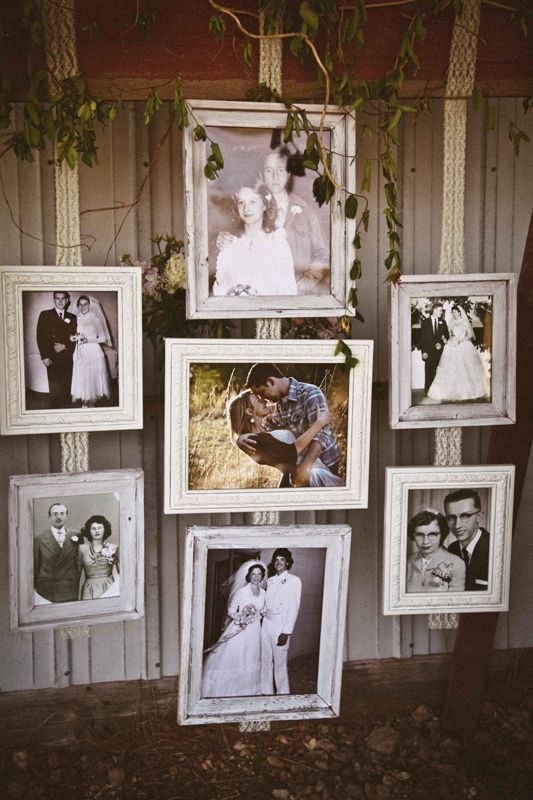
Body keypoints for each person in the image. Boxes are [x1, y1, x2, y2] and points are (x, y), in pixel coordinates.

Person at [217, 149, 329, 295]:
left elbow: (323, 254)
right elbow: (231, 244)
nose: (275, 176)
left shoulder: (305, 211)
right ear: (262, 175)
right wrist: (220, 239)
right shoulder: (247, 209)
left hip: (296, 300)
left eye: (281, 170)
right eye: (269, 170)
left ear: (289, 173)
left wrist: (300, 287)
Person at [244, 363, 342, 487]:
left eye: (262, 393)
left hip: (323, 461)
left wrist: (305, 466)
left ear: (270, 382)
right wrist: (241, 438)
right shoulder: (277, 406)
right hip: (296, 460)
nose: (264, 398)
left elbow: (322, 434)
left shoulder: (309, 393)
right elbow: (271, 436)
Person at [227, 389, 344, 487]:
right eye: (258, 400)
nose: (264, 400)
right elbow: (292, 451)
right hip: (312, 477)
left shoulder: (263, 432)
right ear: (248, 411)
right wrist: (319, 423)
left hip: (313, 473)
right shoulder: (255, 441)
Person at [212, 185, 297, 297]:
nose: (246, 209)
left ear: (264, 205)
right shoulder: (229, 242)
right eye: (241, 202)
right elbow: (220, 289)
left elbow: (288, 291)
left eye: (253, 201)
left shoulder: (277, 242)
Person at [201, 561, 267, 698]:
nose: (256, 577)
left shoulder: (264, 593)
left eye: (259, 574)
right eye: (253, 574)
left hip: (255, 631)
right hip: (239, 629)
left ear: (262, 576)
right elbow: (231, 611)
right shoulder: (242, 592)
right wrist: (242, 618)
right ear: (248, 575)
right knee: (236, 657)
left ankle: (248, 690)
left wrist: (259, 614)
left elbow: (262, 611)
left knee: (250, 657)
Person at [261, 548, 301, 695]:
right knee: (265, 660)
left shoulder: (294, 581)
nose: (278, 562)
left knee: (279, 663)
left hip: (280, 626)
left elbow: (293, 608)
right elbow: (267, 603)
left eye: (282, 560)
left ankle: (283, 694)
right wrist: (262, 610)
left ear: (288, 563)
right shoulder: (269, 581)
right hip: (266, 624)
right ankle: (266, 692)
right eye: (276, 560)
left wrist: (286, 632)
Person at [427, 305, 487, 402]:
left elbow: (470, 335)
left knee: (466, 368)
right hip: (453, 345)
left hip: (464, 345)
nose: (454, 314)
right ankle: (449, 392)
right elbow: (449, 334)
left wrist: (461, 340)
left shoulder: (464, 322)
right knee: (451, 368)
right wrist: (450, 340)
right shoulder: (451, 322)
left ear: (460, 312)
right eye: (453, 312)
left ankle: (469, 392)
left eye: (455, 312)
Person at [406, 509, 465, 592]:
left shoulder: (457, 564)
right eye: (420, 535)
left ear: (442, 535)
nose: (425, 541)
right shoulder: (408, 562)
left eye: (432, 534)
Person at [33, 503, 82, 603]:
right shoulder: (39, 539)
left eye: (62, 514)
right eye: (55, 514)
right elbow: (35, 566)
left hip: (69, 590)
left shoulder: (77, 535)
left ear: (66, 516)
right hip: (48, 592)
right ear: (49, 517)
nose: (59, 517)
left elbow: (79, 563)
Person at [36, 291, 77, 408]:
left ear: (67, 300)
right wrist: (44, 356)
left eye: (63, 298)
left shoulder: (73, 317)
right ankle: (55, 410)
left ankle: (66, 413)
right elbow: (40, 336)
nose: (60, 301)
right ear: (54, 300)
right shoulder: (45, 315)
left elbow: (77, 337)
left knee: (66, 385)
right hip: (51, 356)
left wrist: (65, 346)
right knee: (54, 388)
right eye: (57, 298)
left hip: (67, 356)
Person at [70, 295, 113, 407]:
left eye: (85, 304)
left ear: (90, 305)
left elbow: (103, 338)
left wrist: (87, 340)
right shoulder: (77, 318)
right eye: (80, 304)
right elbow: (74, 334)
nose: (82, 306)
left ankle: (91, 403)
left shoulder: (96, 319)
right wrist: (73, 338)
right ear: (78, 306)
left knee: (92, 378)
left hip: (93, 352)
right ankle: (85, 402)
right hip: (80, 351)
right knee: (83, 377)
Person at [445, 489, 490, 591]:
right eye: (452, 517)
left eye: (465, 516)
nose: (457, 525)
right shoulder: (452, 549)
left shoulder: (494, 548)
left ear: (478, 517)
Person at [78, 515, 119, 600]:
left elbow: (115, 573)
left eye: (100, 528)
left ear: (105, 530)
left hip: (109, 587)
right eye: (93, 528)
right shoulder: (82, 549)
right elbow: (77, 574)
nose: (97, 531)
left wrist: (118, 590)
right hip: (89, 589)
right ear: (89, 531)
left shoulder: (112, 548)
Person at [419, 302, 449, 394]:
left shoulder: (443, 323)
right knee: (428, 372)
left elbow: (446, 336)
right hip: (428, 352)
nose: (441, 312)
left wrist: (441, 344)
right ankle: (428, 391)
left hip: (439, 353)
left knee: (439, 372)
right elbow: (422, 338)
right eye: (440, 310)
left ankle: (437, 392)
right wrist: (423, 352)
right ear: (435, 310)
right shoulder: (425, 322)